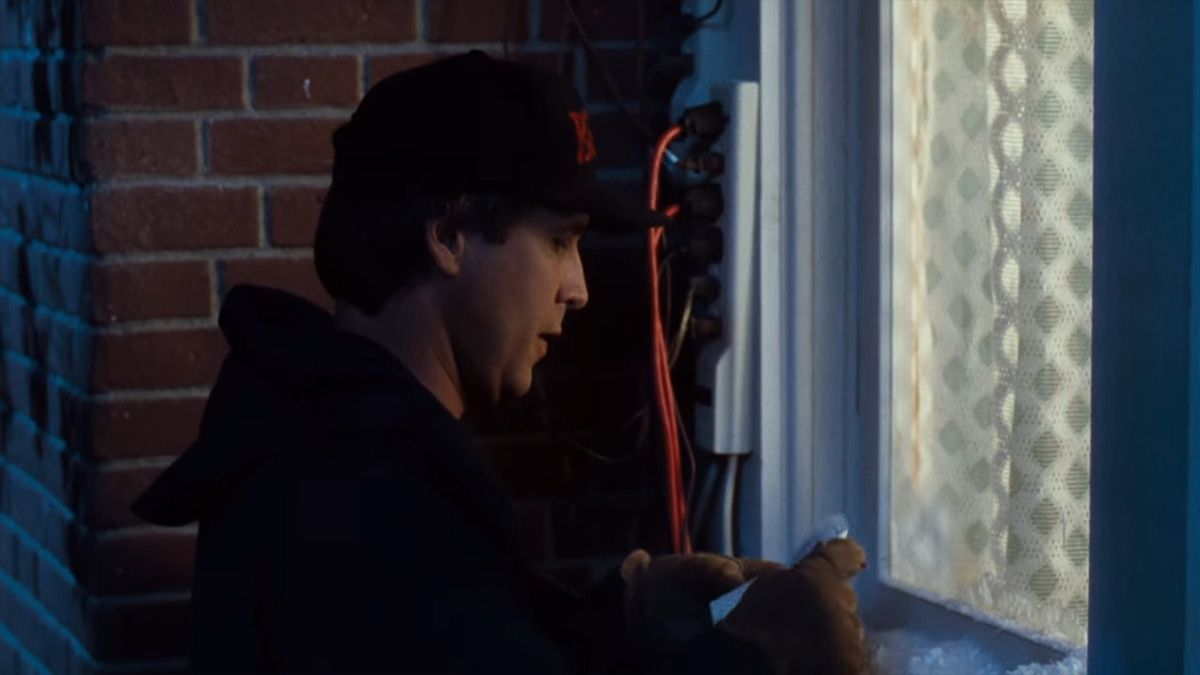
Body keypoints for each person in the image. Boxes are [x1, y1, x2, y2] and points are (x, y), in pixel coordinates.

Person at [131, 51, 775, 674]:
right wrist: (766, 655)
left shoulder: (326, 432)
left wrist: (625, 616)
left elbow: (479, 636)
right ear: (447, 237)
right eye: (558, 241)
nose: (578, 288)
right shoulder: (360, 503)